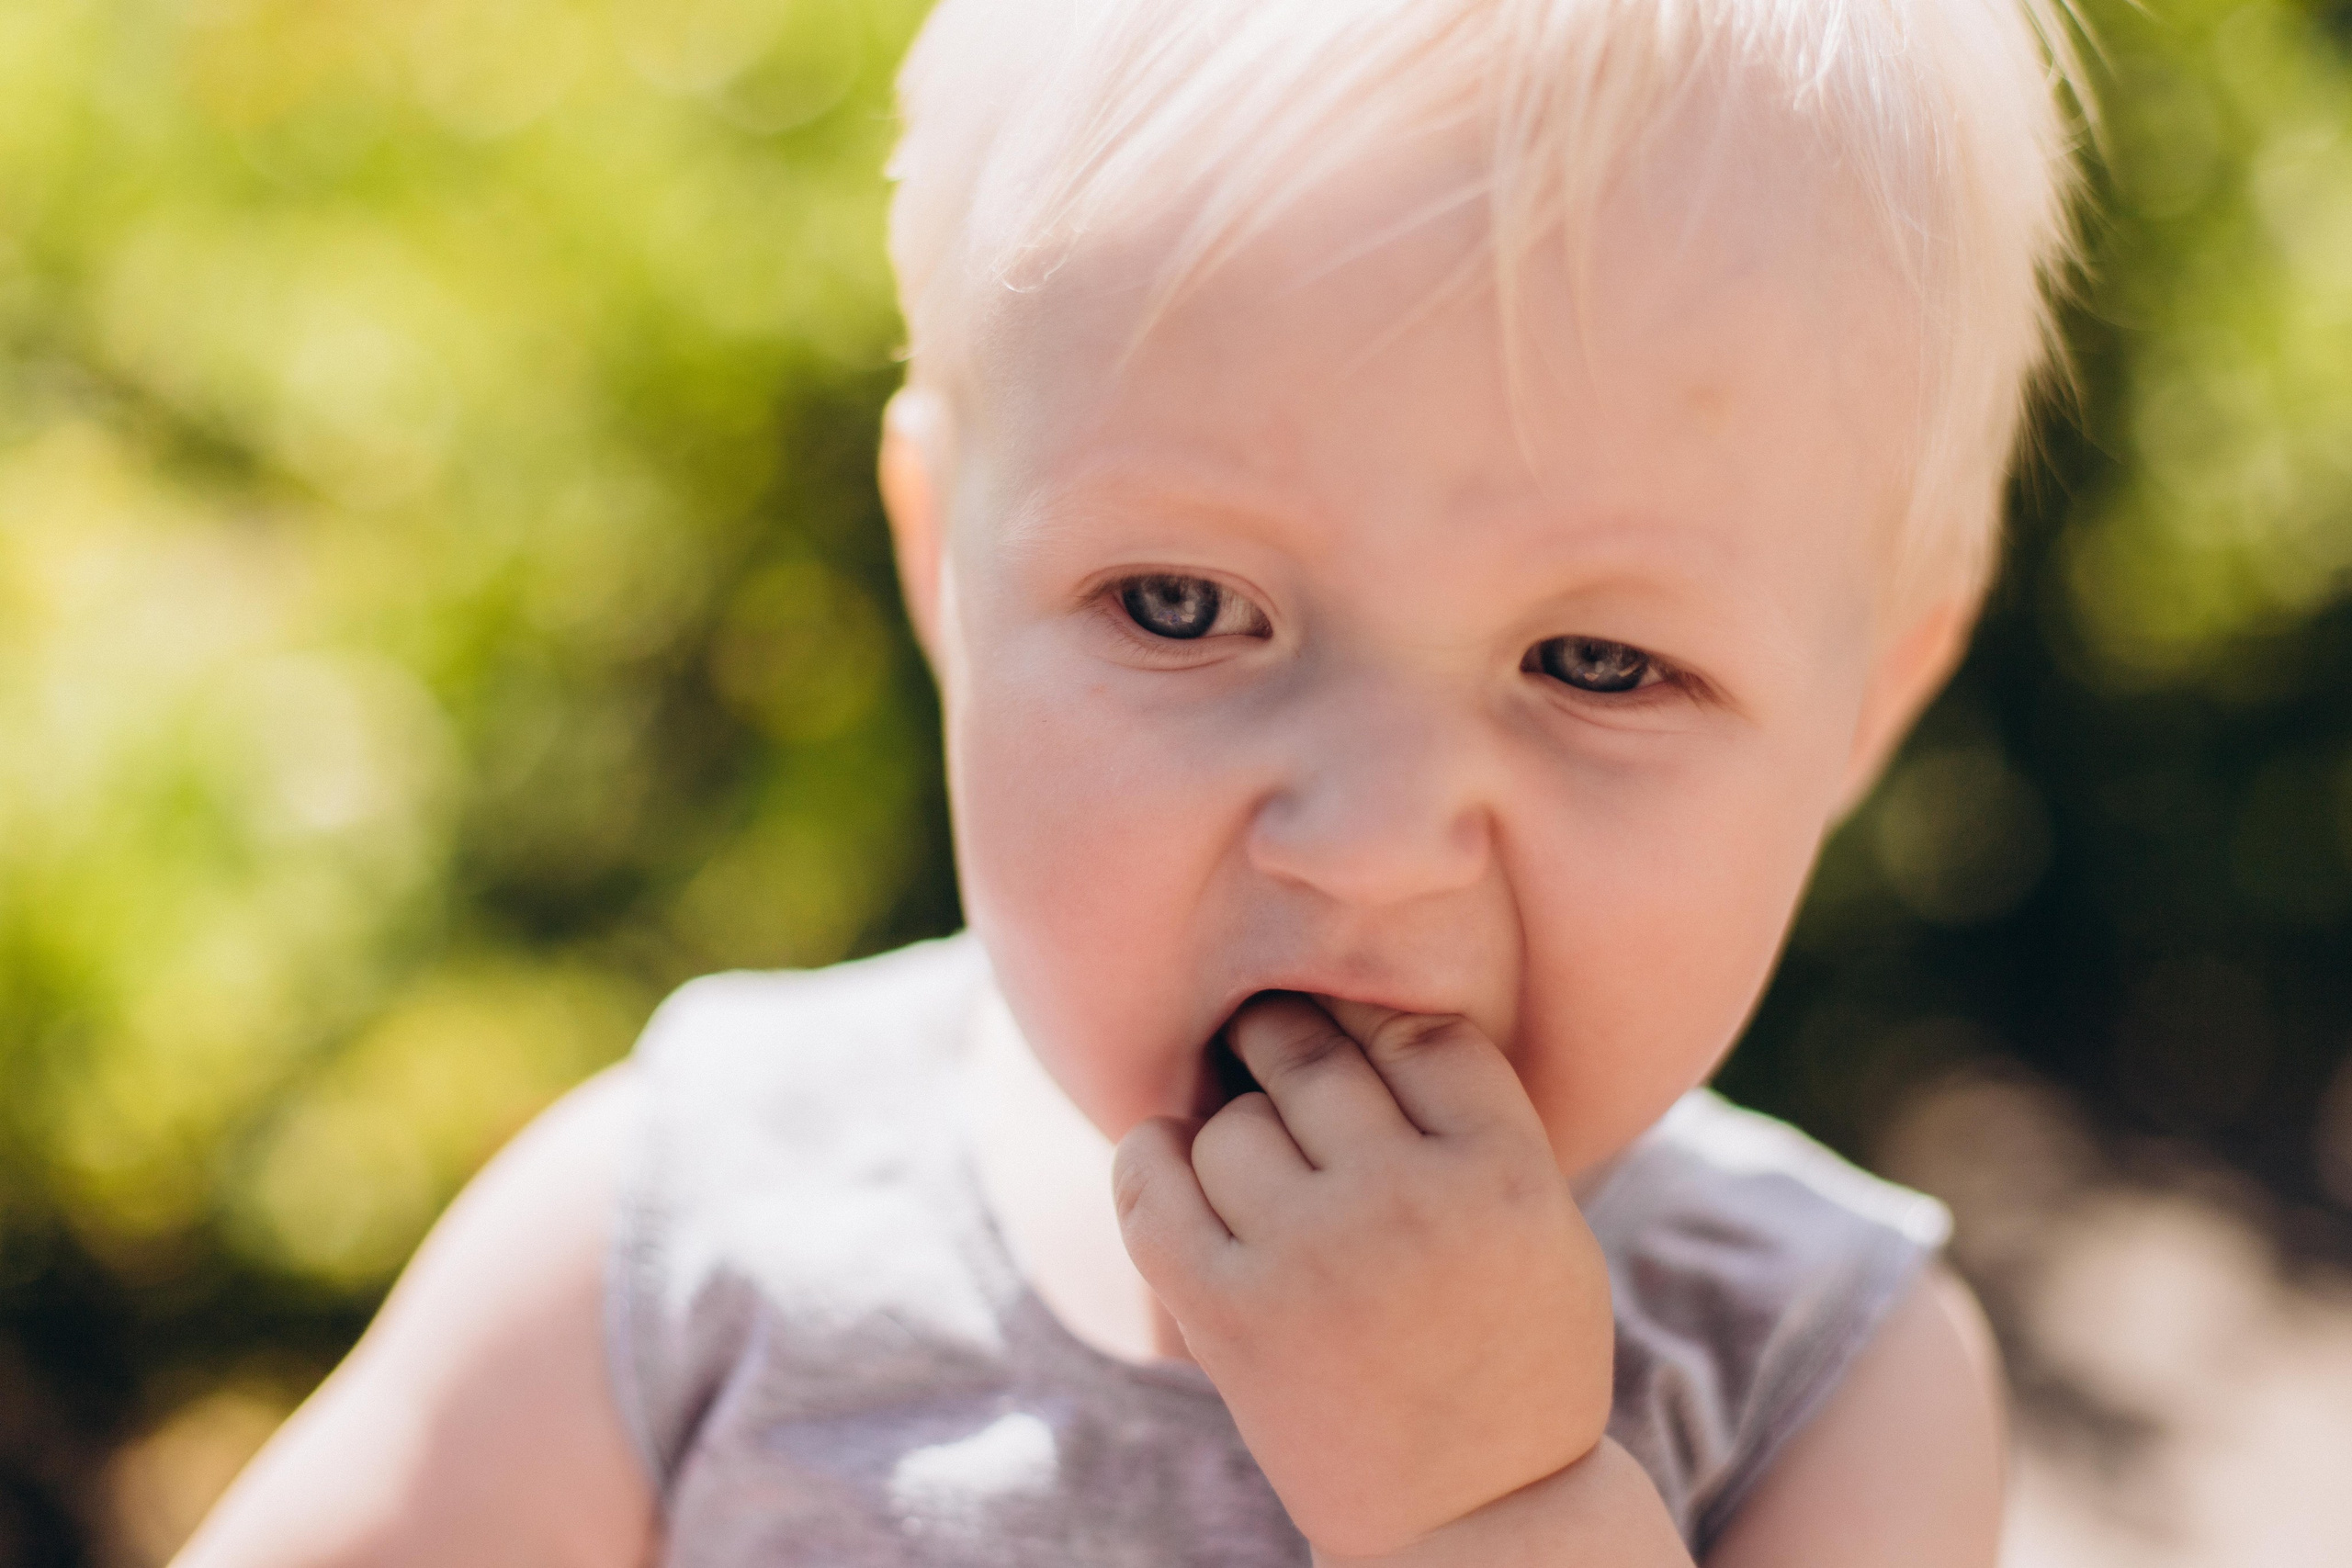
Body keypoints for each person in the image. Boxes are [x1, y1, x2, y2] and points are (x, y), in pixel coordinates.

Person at [177, 0, 2088, 1562]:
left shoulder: (1822, 1386)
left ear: (1864, 701)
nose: (1364, 843)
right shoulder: (675, 1242)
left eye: (1594, 663)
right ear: (943, 567)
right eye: (1178, 604)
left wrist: (1492, 1510)